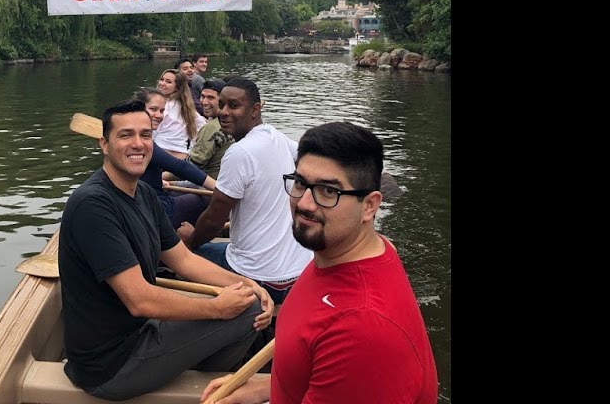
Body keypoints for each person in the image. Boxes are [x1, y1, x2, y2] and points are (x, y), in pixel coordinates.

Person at [200, 122, 439, 404]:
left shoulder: (362, 330)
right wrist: (264, 387)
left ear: (370, 206)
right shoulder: (345, 252)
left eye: (328, 191)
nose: (304, 203)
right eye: (301, 183)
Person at [59, 100, 274, 401]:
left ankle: (201, 375)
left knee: (248, 298)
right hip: (112, 364)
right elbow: (140, 300)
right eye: (125, 135)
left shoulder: (144, 194)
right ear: (104, 145)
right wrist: (216, 307)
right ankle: (206, 382)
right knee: (249, 311)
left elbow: (183, 259)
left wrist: (247, 283)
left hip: (140, 332)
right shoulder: (93, 205)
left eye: (145, 135)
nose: (138, 143)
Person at [182, 77, 311, 305]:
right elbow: (310, 159)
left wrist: (189, 242)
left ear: (255, 110)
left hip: (260, 279)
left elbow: (213, 221)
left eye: (234, 106)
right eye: (222, 105)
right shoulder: (278, 138)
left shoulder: (239, 152)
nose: (223, 112)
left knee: (177, 255)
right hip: (298, 276)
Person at [130, 88, 215, 228]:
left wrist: (157, 180)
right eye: (153, 109)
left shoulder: (129, 137)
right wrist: (219, 188)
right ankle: (191, 237)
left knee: (194, 188)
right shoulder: (144, 144)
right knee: (208, 198)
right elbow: (180, 167)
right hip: (157, 211)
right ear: (138, 109)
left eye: (162, 111)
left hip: (146, 201)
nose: (159, 115)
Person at [151, 68, 205, 159]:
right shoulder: (186, 107)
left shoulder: (164, 107)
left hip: (160, 155)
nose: (162, 83)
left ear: (177, 88)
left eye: (168, 82)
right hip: (181, 156)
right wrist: (191, 150)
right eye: (162, 79)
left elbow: (151, 134)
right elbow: (202, 127)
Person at [187, 78, 234, 181]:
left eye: (210, 98)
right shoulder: (237, 122)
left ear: (222, 101)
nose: (204, 102)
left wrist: (162, 176)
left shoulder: (211, 127)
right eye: (202, 96)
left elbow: (192, 167)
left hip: (209, 183)